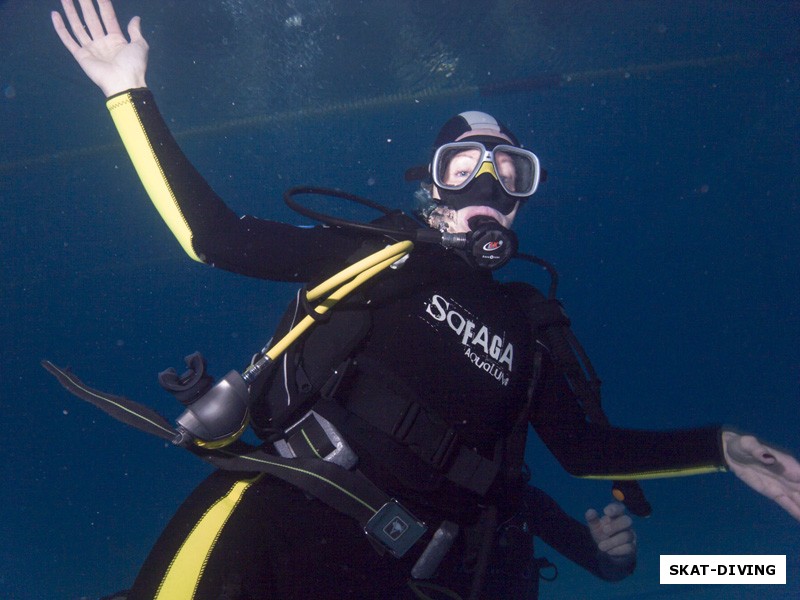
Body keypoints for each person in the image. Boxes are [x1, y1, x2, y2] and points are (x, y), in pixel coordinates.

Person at [49, 0, 799, 598]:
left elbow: (587, 452)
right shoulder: (376, 255)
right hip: (278, 521)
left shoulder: (531, 330)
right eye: (465, 166)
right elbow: (216, 237)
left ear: (524, 200)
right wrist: (127, 89)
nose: (488, 187)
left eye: (512, 173)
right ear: (430, 185)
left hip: (408, 579)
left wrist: (721, 449)